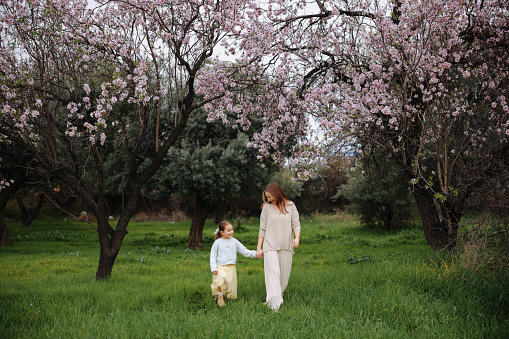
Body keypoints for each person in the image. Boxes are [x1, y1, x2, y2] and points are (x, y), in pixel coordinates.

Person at [256, 182, 301, 312]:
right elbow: (262, 229)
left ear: (277, 193)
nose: (269, 200)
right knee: (273, 272)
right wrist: (259, 247)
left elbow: (296, 224)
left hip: (286, 245)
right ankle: (273, 305)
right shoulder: (266, 208)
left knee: (283, 277)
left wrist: (296, 238)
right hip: (270, 245)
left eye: (270, 196)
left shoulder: (290, 205)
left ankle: (276, 297)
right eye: (267, 197)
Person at [210, 220, 258, 307]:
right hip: (220, 266)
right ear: (222, 232)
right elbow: (212, 256)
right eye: (228, 230)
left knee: (228, 284)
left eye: (232, 229)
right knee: (220, 282)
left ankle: (224, 296)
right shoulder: (217, 243)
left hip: (231, 267)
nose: (231, 232)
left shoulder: (234, 241)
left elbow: (245, 251)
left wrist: (255, 254)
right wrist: (213, 268)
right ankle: (220, 298)